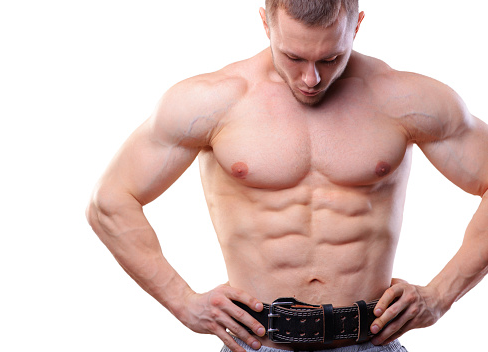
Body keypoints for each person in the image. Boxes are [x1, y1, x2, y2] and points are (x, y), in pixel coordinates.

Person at [86, 0, 488, 351]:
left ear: (358, 25)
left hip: (369, 342)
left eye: (330, 57)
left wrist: (441, 295)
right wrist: (182, 301)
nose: (311, 79)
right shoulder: (212, 100)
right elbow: (110, 203)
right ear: (266, 23)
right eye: (294, 57)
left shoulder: (405, 99)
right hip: (257, 345)